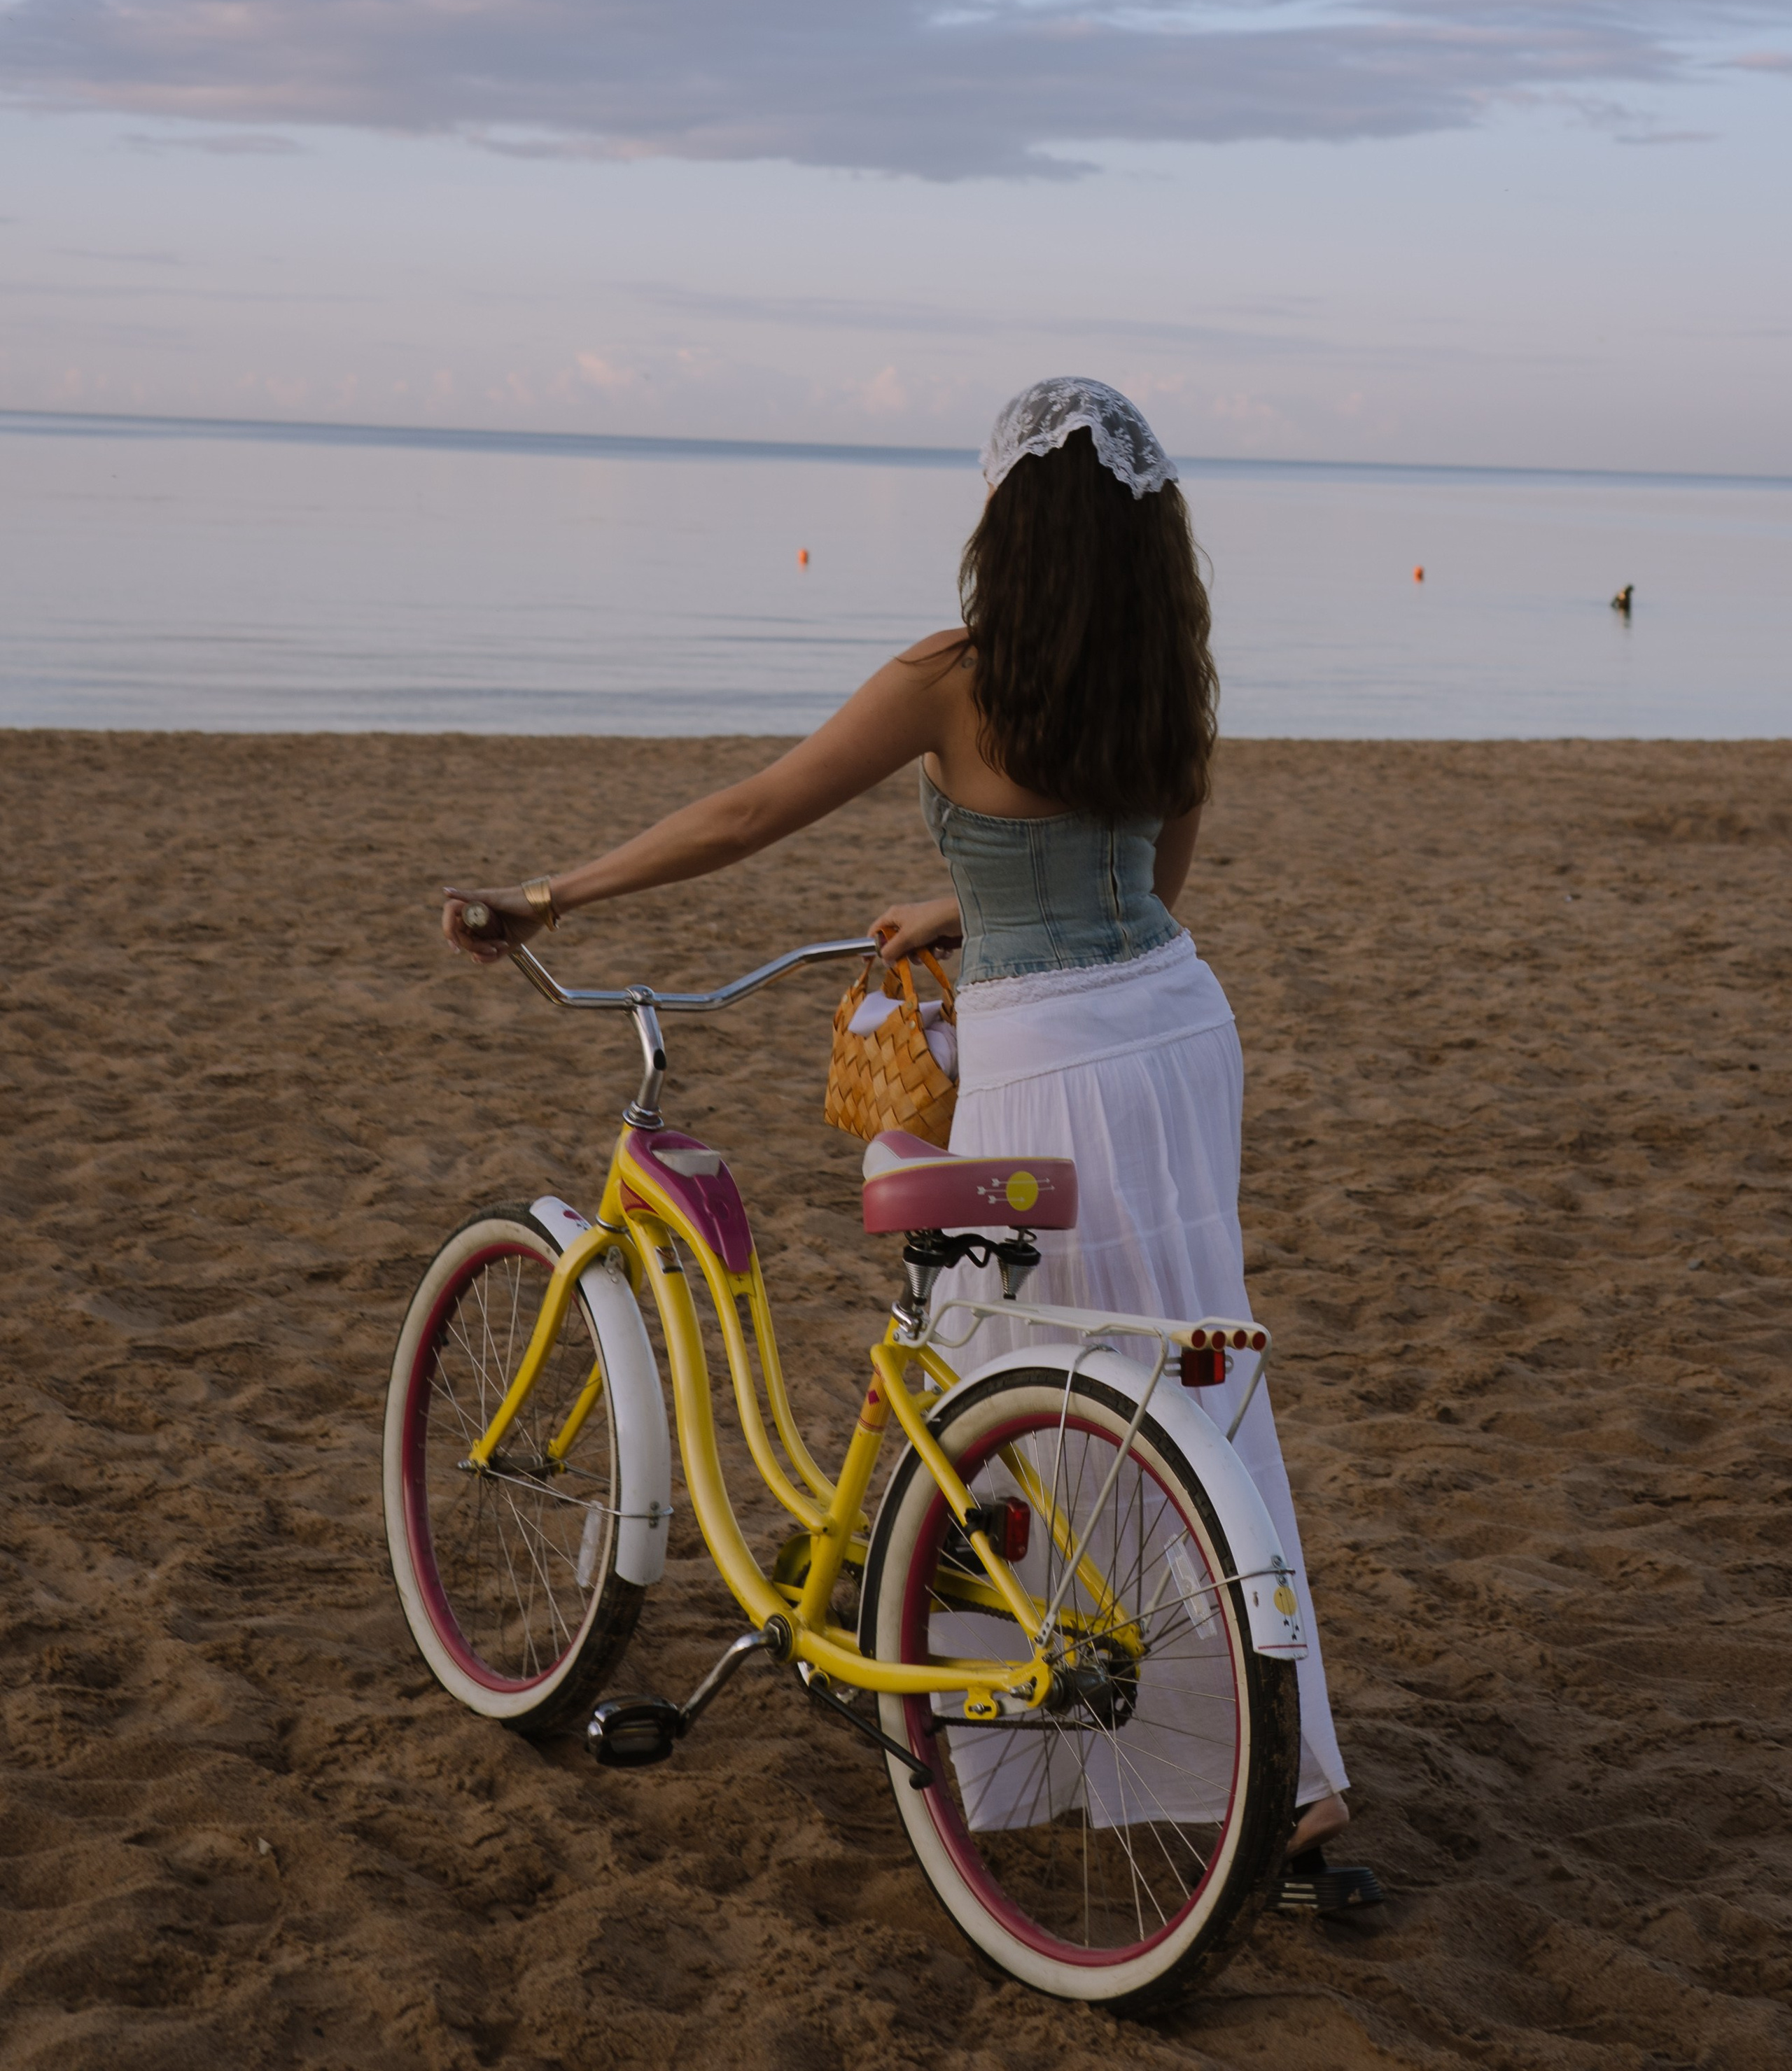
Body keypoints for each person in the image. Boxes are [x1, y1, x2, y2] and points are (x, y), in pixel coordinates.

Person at [443, 376, 1352, 1865]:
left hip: (1045, 1054)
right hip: (1178, 1034)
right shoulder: (1165, 670)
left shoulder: (954, 675)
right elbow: (1141, 875)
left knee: (1025, 1376)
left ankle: (1031, 1728)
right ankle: (1287, 1778)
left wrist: (553, 896)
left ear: (1008, 524)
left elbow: (752, 812)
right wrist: (964, 902)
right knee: (1185, 1379)